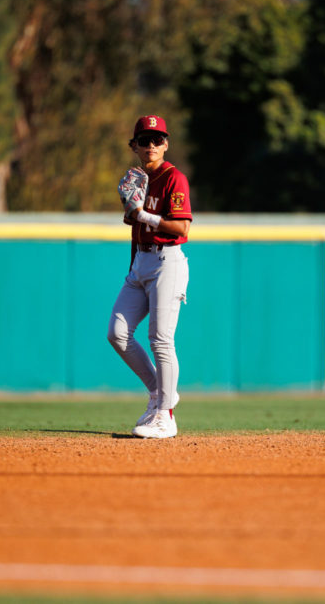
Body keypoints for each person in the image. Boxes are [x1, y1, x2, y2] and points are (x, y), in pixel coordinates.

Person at [108, 115, 192, 439]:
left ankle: (165, 417)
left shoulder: (175, 179)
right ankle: (160, 393)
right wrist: (133, 264)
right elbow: (137, 229)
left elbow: (182, 228)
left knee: (161, 338)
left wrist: (141, 214)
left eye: (158, 139)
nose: (152, 145)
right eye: (145, 140)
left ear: (166, 144)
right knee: (117, 333)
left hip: (166, 261)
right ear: (135, 146)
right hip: (141, 261)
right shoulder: (138, 179)